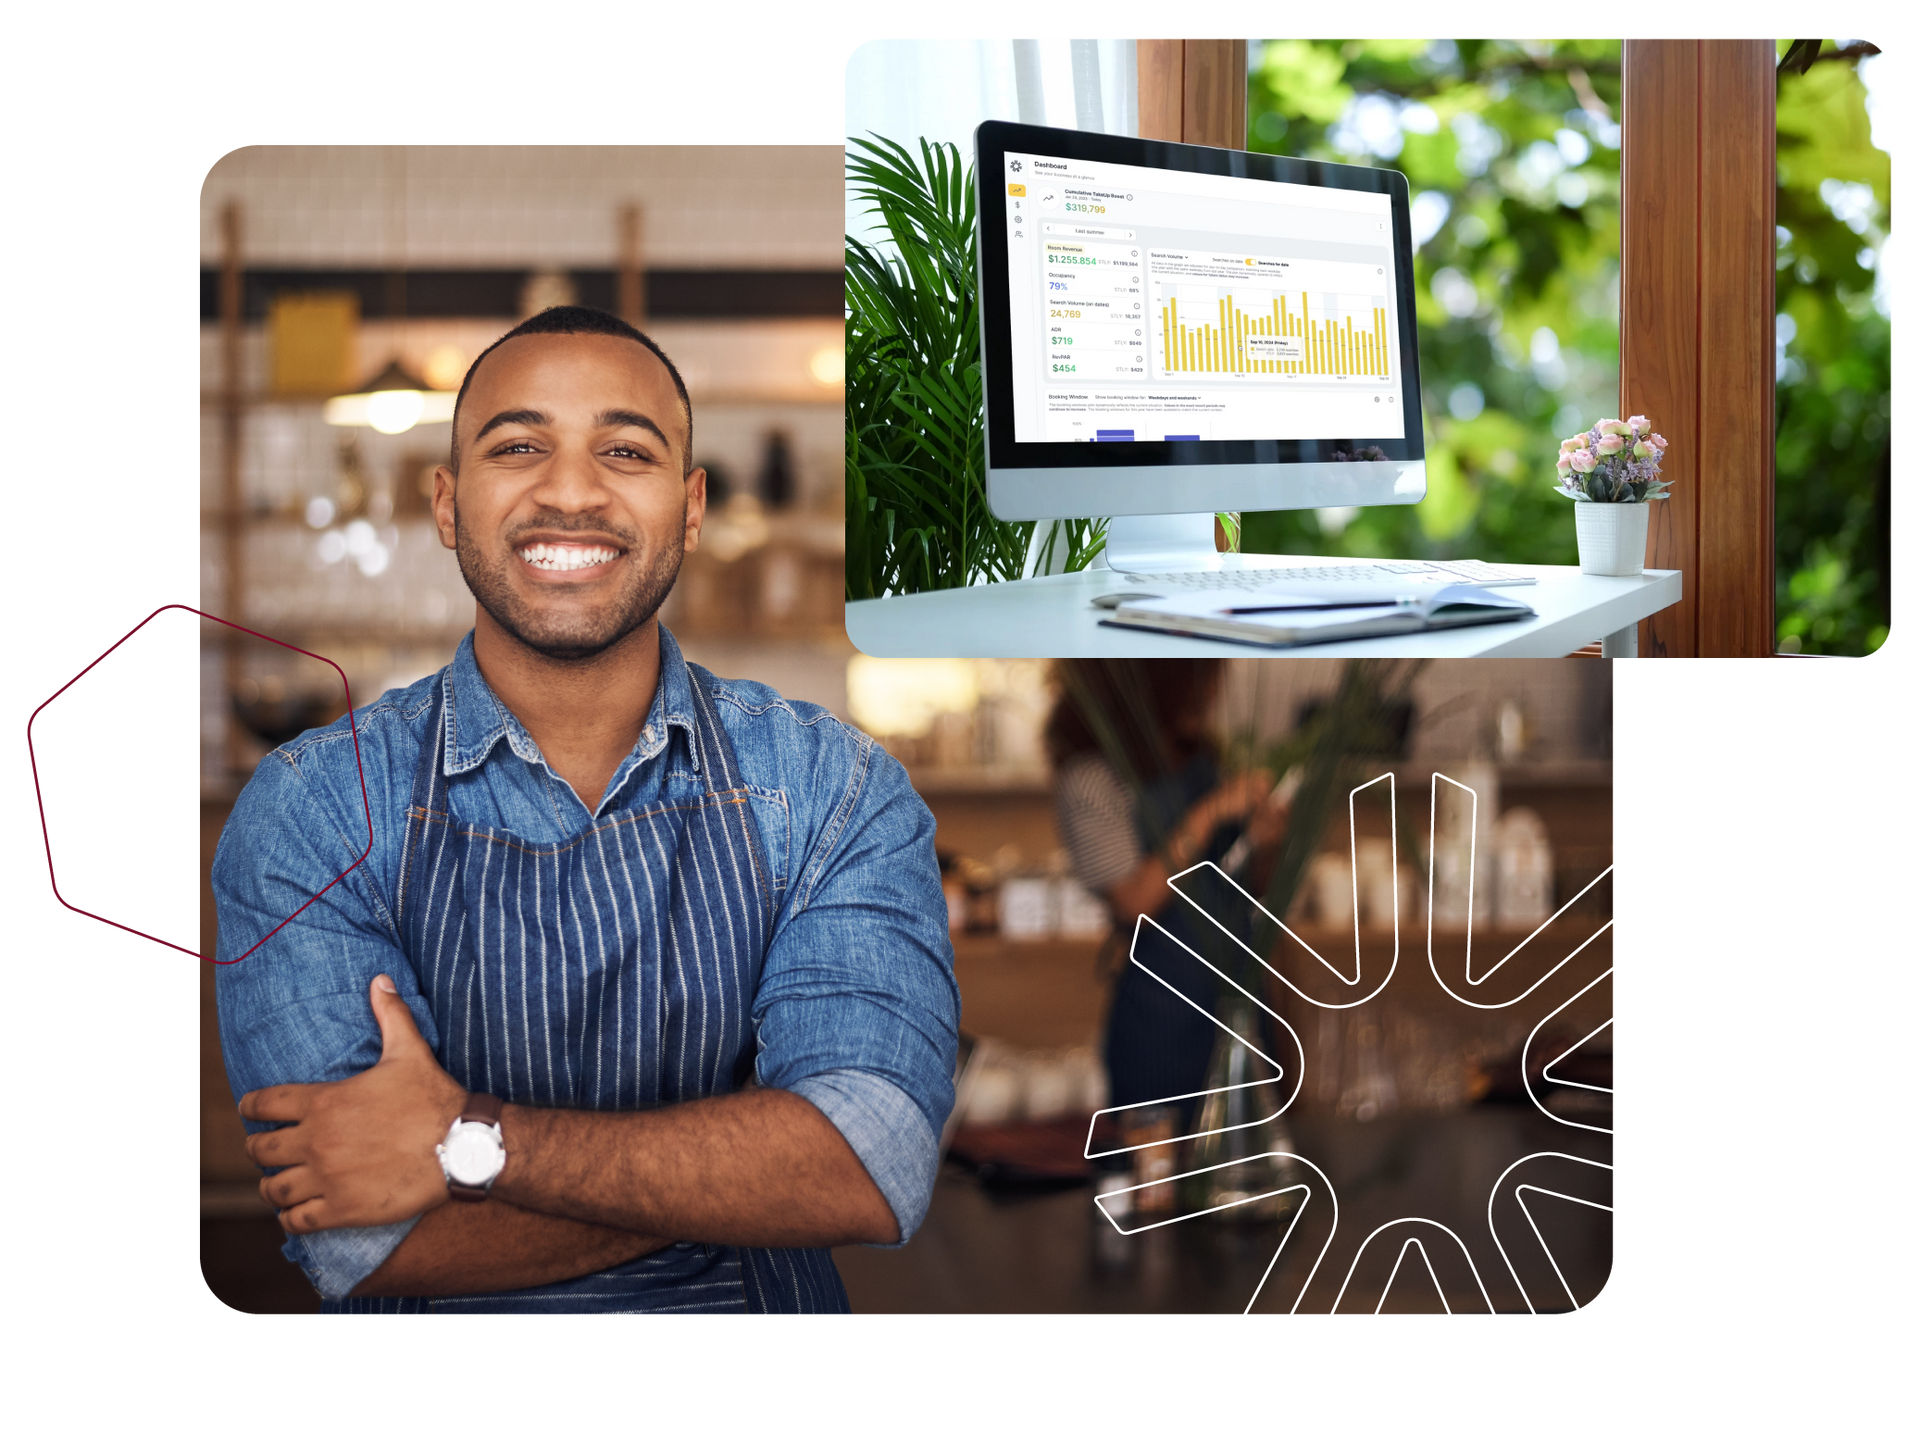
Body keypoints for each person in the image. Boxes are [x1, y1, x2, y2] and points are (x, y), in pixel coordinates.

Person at [215, 306, 958, 1316]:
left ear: (691, 508)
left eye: (626, 449)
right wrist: (756, 1159)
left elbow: (872, 1164)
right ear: (447, 503)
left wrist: (468, 1141)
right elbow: (365, 1238)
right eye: (519, 446)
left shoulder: (833, 789)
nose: (570, 490)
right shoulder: (313, 807)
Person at [1046, 662, 1287, 1127]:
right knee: (1158, 1183)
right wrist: (1210, 814)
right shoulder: (1092, 780)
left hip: (1240, 1006)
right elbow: (1133, 901)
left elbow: (1252, 892)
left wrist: (1266, 843)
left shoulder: (1206, 763)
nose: (1211, 699)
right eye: (1198, 686)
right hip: (1162, 1017)